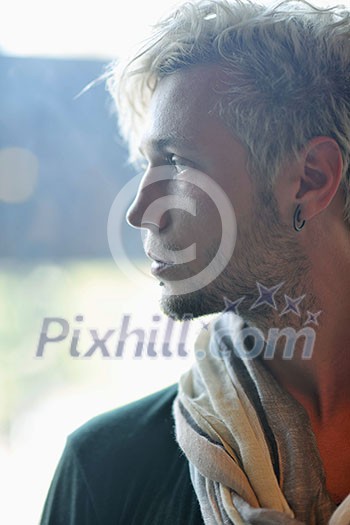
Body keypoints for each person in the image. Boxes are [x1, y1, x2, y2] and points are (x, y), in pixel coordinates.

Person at [40, 0, 350, 523]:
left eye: (177, 162)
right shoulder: (108, 470)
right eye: (146, 165)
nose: (140, 211)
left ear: (311, 179)